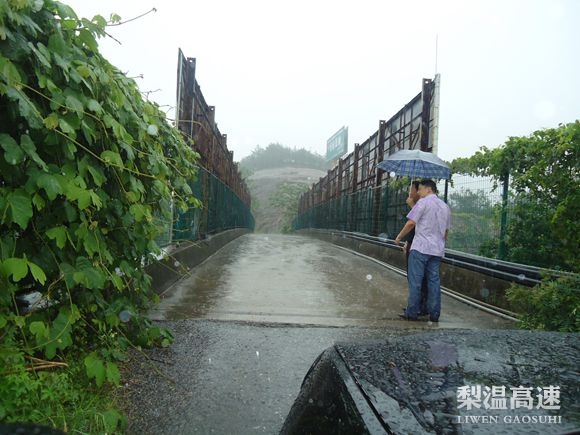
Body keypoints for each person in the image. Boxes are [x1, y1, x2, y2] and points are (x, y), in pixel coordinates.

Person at [395, 179, 451, 322]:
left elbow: (411, 223)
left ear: (428, 189)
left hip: (420, 248)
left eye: (420, 189)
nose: (418, 192)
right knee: (434, 281)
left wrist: (399, 237)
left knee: (416, 281)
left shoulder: (423, 203)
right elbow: (445, 232)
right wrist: (440, 245)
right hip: (436, 251)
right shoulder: (445, 207)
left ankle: (412, 312)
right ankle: (434, 314)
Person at [401, 181, 429, 316]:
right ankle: (419, 306)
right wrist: (408, 241)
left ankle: (417, 307)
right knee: (419, 278)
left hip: (420, 247)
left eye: (412, 189)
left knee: (416, 278)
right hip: (416, 244)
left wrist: (412, 206)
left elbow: (416, 224)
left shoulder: (422, 205)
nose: (411, 193)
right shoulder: (418, 205)